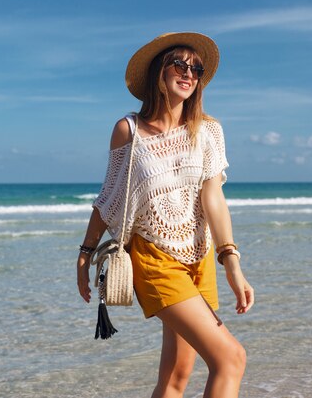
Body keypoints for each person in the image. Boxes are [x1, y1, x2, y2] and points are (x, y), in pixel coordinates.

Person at [76, 32, 254, 398]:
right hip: (155, 259)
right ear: (160, 72)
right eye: (180, 64)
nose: (189, 73)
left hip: (199, 258)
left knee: (176, 377)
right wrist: (84, 254)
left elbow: (213, 198)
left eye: (196, 68)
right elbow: (110, 197)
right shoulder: (129, 130)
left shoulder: (208, 131)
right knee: (231, 358)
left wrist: (231, 262)